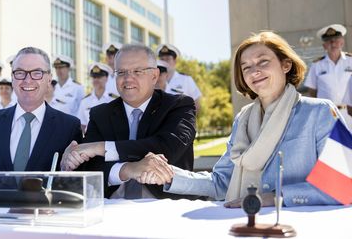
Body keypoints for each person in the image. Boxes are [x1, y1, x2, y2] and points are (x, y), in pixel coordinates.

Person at [137, 32, 343, 207]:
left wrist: (275, 198)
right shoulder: (243, 119)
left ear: (286, 65)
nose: (255, 71)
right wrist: (168, 174)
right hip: (243, 225)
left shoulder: (320, 112)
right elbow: (220, 182)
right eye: (246, 67)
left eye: (263, 62)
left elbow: (343, 183)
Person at [61, 44, 196, 199]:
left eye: (137, 71)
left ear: (154, 75)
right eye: (121, 72)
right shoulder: (101, 114)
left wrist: (100, 147)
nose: (128, 79)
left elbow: (166, 148)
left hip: (168, 206)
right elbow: (92, 168)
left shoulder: (179, 105)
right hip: (112, 207)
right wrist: (127, 169)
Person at [0, 47, 82, 172]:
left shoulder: (69, 127)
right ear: (12, 78)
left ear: (49, 79)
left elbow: (80, 180)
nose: (27, 80)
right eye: (20, 73)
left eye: (37, 73)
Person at [304, 24, 352, 128]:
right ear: (324, 45)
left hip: (349, 113)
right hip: (327, 114)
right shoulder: (317, 65)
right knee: (331, 144)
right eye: (329, 40)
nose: (333, 43)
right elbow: (312, 92)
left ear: (342, 42)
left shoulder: (350, 61)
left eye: (336, 39)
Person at [156, 43, 202, 112]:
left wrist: (186, 120)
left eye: (168, 59)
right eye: (162, 59)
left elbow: (197, 104)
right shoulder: (154, 80)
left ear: (175, 61)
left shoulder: (186, 80)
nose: (164, 62)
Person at [77, 62, 114, 133]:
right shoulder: (85, 101)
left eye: (99, 77)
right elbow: (82, 125)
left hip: (109, 141)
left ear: (106, 78)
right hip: (90, 141)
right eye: (94, 77)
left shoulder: (113, 100)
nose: (96, 80)